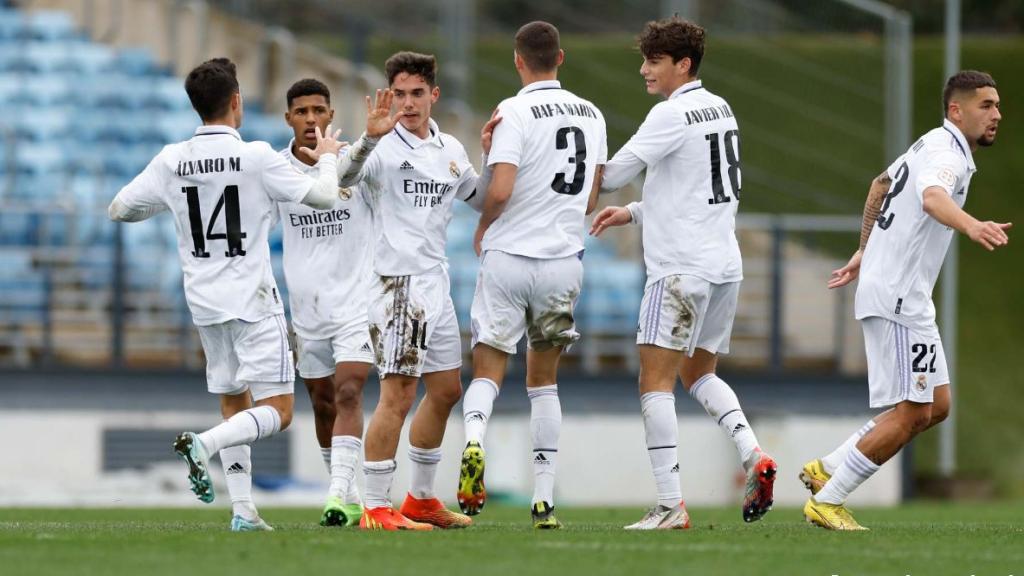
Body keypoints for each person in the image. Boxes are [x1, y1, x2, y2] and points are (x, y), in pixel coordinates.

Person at [108, 58, 344, 531]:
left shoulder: (172, 160)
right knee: (277, 411)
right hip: (253, 300)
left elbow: (120, 209)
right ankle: (207, 444)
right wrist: (331, 157)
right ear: (236, 101)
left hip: (204, 304)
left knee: (234, 399)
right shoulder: (256, 157)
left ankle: (242, 510)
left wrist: (173, 199)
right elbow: (324, 197)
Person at [590, 16, 777, 529]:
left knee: (655, 384)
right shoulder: (721, 108)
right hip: (724, 268)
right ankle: (753, 453)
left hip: (678, 270)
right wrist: (635, 213)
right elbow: (698, 188)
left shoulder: (669, 116)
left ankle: (670, 504)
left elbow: (610, 177)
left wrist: (561, 159)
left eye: (654, 62)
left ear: (682, 65)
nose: (645, 71)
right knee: (700, 374)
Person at [800, 71, 1007, 530]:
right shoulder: (945, 154)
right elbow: (933, 198)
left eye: (997, 106)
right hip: (898, 297)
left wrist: (863, 248)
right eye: (986, 105)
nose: (997, 114)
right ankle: (828, 501)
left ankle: (828, 468)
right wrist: (971, 225)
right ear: (956, 110)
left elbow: (879, 185)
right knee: (915, 410)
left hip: (902, 292)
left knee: (938, 404)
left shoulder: (929, 142)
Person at [337, 51, 498, 531]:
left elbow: (482, 199)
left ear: (434, 95)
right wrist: (368, 136)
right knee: (398, 396)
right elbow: (342, 177)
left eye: (416, 94)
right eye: (399, 94)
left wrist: (492, 155)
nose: (407, 104)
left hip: (436, 283)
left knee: (446, 390)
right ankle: (375, 506)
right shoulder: (382, 146)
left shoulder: (449, 148)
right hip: (398, 285)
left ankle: (421, 499)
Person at [456, 20, 607, 530]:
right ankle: (544, 499)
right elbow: (590, 198)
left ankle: (474, 443)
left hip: (509, 257)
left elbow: (498, 190)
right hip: (563, 262)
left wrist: (484, 224)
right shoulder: (592, 114)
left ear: (518, 60)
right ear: (560, 58)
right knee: (543, 383)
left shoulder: (512, 111)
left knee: (487, 370)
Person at [276, 78, 374, 527]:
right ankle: (348, 497)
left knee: (350, 389)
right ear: (289, 119)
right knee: (322, 403)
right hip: (307, 308)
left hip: (356, 302)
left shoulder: (356, 162)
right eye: (302, 112)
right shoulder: (274, 170)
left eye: (319, 110)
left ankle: (334, 495)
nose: (312, 119)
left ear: (332, 115)